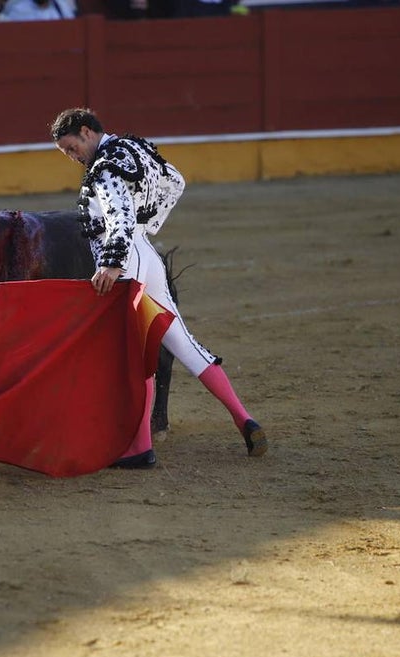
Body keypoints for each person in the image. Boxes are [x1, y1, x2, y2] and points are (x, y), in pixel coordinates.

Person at [50, 107, 267, 468]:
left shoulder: (104, 167)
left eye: (72, 148)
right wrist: (149, 225)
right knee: (183, 343)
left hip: (124, 260)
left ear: (87, 132)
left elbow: (118, 216)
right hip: (147, 256)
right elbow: (176, 181)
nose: (73, 158)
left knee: (132, 355)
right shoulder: (136, 149)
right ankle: (244, 418)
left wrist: (112, 261)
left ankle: (139, 448)